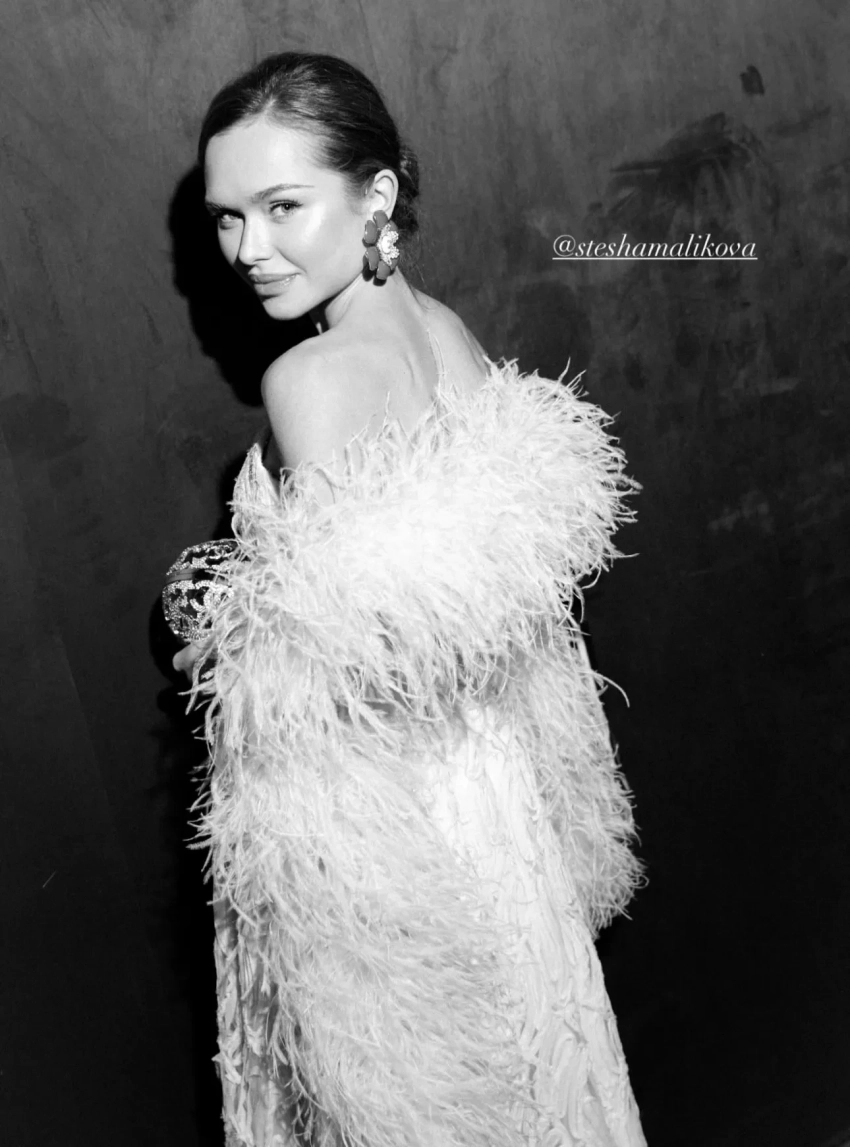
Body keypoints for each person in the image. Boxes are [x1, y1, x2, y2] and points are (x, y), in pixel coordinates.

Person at [172, 50, 647, 1147]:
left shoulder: (308, 377)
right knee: (543, 1076)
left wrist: (219, 631)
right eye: (227, 218)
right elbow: (454, 613)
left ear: (375, 193)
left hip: (393, 844)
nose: (249, 250)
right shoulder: (445, 333)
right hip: (497, 805)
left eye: (283, 206)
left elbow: (341, 678)